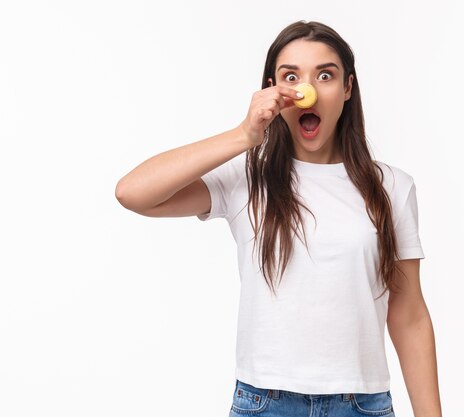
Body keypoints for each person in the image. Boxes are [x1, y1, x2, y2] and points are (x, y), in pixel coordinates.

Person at [116, 20, 442, 417]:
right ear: (272, 90)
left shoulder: (392, 187)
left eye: (326, 75)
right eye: (292, 77)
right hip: (264, 403)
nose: (308, 92)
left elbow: (409, 315)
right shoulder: (246, 178)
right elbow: (133, 193)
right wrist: (243, 136)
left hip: (362, 405)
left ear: (348, 88)